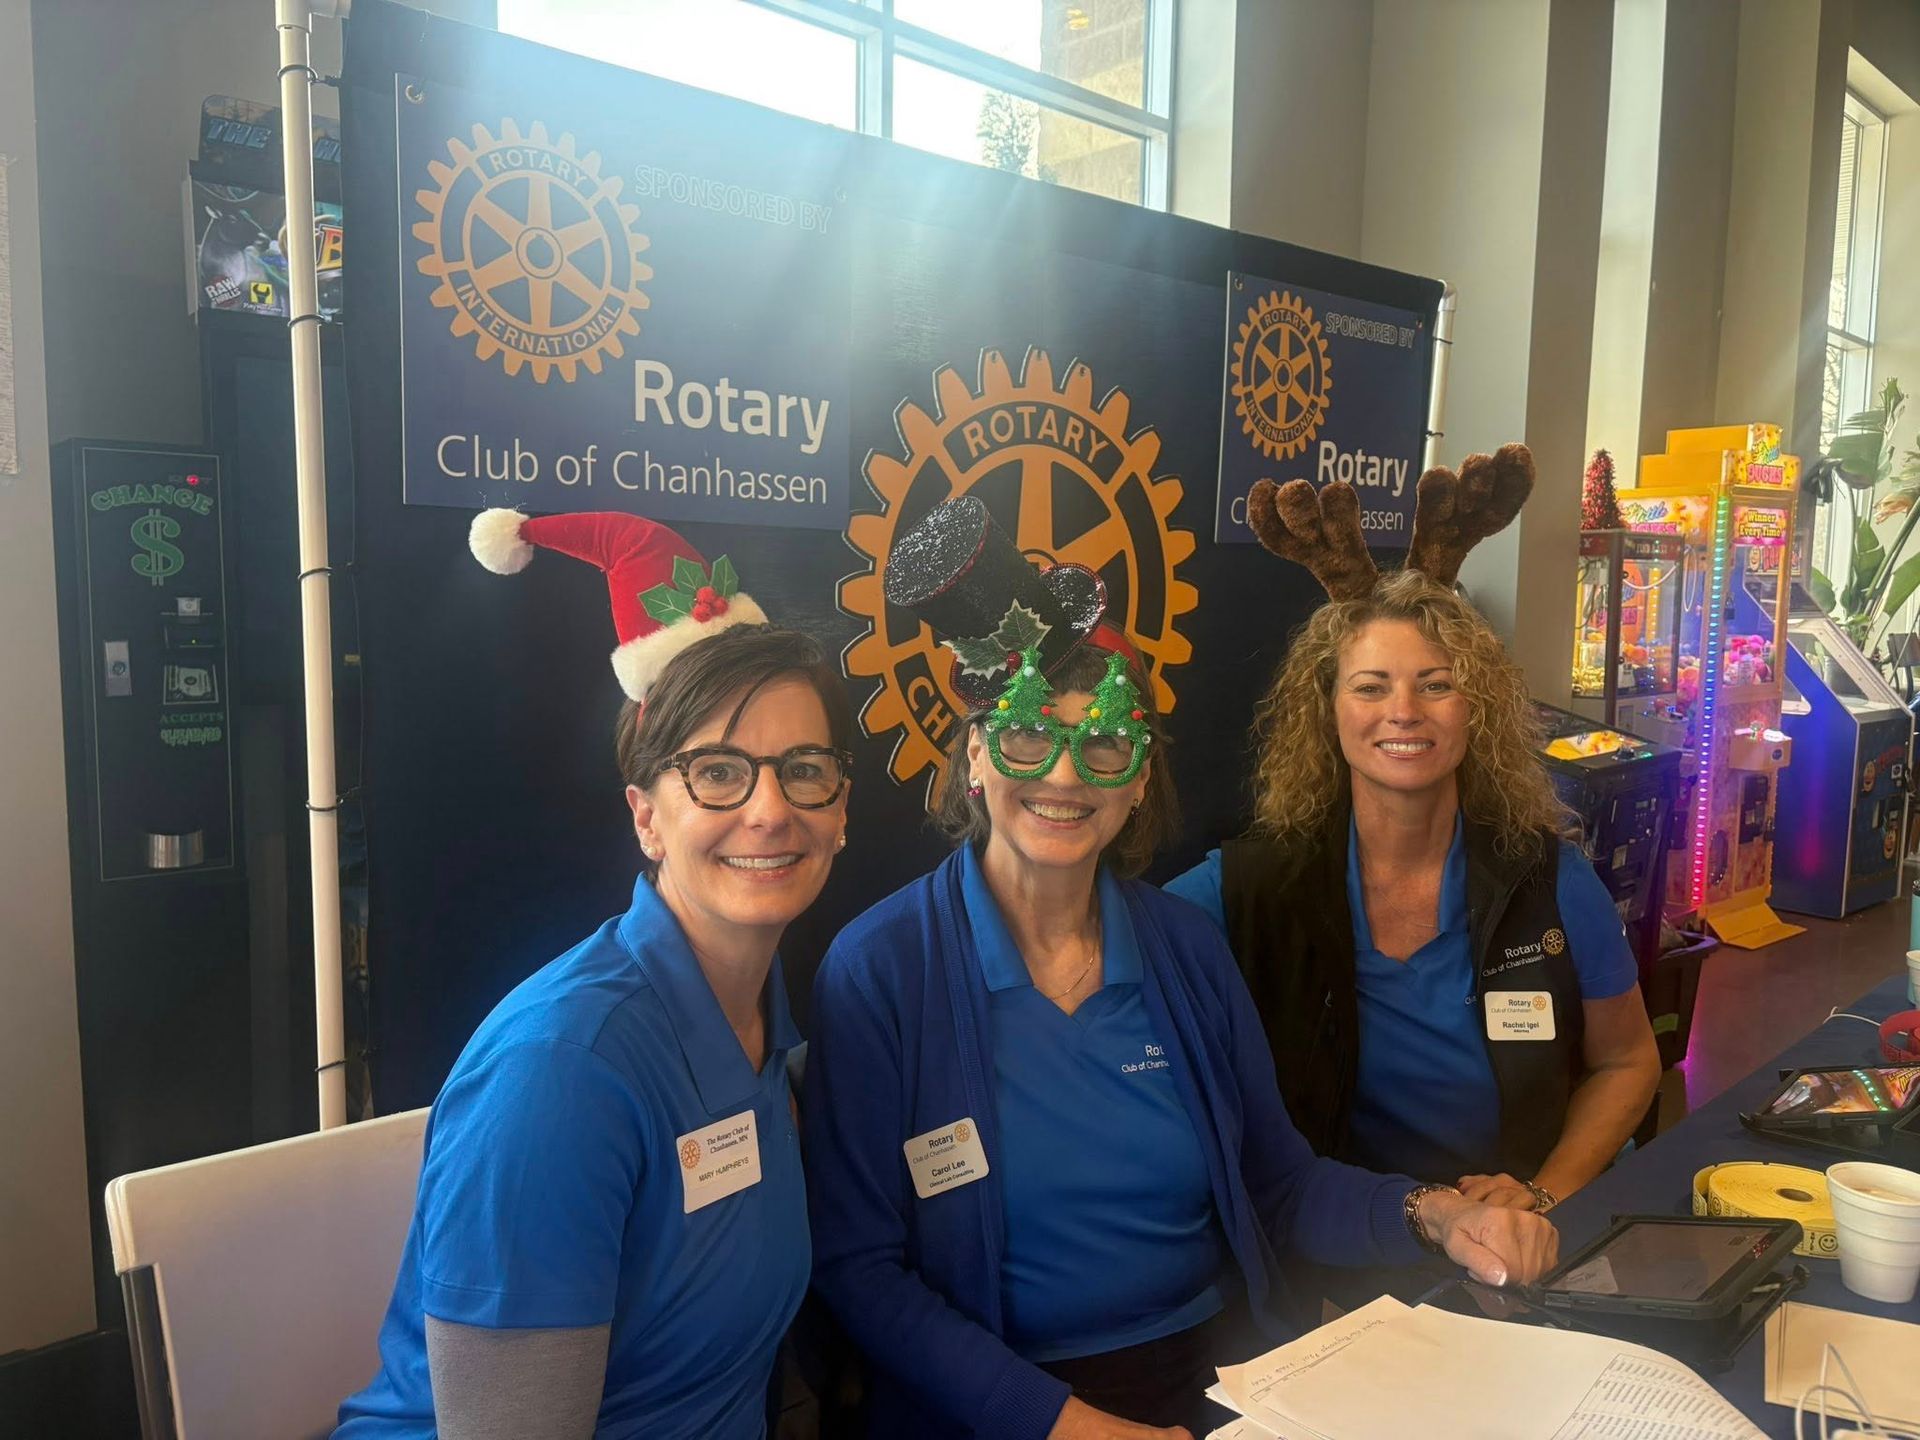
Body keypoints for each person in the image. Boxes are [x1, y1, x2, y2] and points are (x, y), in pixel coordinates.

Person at [804, 497, 1557, 1440]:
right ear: (974, 763)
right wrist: (1069, 1427)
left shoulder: (1184, 948)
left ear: (1141, 776)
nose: (1069, 776)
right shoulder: (882, 971)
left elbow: (1279, 1183)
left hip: (1222, 1382)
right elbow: (859, 1271)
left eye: (1108, 742)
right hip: (1001, 1407)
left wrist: (1437, 1215)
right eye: (1032, 735)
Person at [337, 510, 852, 1440]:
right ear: (646, 817)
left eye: (803, 769)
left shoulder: (768, 1029)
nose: (771, 809)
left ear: (840, 807)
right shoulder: (563, 1072)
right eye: (718, 772)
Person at [1168, 450, 1661, 1224]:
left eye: (1437, 684)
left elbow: (1629, 1061)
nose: (1405, 710)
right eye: (1371, 686)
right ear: (1326, 712)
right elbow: (1110, 936)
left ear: (1479, 710)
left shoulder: (1548, 879)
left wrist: (1543, 1197)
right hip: (1368, 1239)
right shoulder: (1248, 887)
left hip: (1531, 1233)